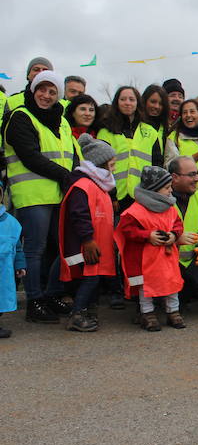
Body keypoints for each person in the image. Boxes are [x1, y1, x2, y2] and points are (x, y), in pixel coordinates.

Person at [2, 70, 77, 324]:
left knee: (63, 246)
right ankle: (35, 301)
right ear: (32, 91)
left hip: (60, 194)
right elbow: (30, 156)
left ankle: (51, 294)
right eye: (42, 90)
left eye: (52, 91)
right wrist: (66, 176)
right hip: (33, 195)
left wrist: (75, 177)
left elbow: (73, 155)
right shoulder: (20, 117)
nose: (46, 95)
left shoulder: (62, 121)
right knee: (35, 250)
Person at [115, 166, 186, 332]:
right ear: (154, 190)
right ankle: (147, 314)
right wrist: (148, 235)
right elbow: (127, 230)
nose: (171, 191)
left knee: (171, 283)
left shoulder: (170, 207)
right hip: (144, 258)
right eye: (167, 188)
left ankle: (173, 312)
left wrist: (173, 236)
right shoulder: (135, 211)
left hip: (166, 257)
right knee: (145, 286)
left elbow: (178, 224)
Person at [58, 134, 117, 332]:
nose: (114, 167)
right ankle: (78, 313)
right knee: (90, 278)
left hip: (96, 243)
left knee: (94, 277)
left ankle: (89, 311)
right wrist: (88, 240)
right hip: (89, 244)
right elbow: (79, 215)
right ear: (101, 163)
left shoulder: (97, 185)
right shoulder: (83, 186)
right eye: (111, 163)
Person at [96, 86, 163, 210]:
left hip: (142, 197)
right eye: (123, 99)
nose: (127, 103)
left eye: (132, 99)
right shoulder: (106, 131)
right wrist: (112, 195)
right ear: (117, 102)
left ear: (138, 103)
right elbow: (101, 166)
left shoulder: (150, 131)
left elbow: (157, 165)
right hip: (115, 197)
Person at [169, 156, 198, 302]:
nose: (197, 178)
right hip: (164, 262)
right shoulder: (162, 199)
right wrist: (175, 239)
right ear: (174, 177)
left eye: (197, 173)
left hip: (189, 262)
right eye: (191, 174)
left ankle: (183, 298)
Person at [0, 194, 26, 339]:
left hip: (4, 270)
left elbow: (18, 247)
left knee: (1, 299)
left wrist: (20, 265)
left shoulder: (11, 222)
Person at [3, 57, 53, 124]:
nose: (40, 73)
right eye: (36, 69)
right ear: (28, 75)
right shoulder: (11, 100)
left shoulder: (62, 103)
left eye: (45, 70)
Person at [141, 84, 169, 158]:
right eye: (153, 102)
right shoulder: (135, 125)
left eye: (161, 104)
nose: (156, 106)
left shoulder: (166, 129)